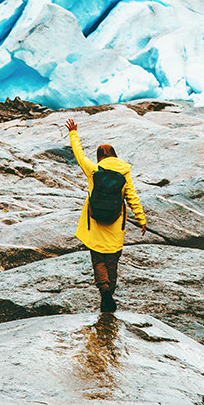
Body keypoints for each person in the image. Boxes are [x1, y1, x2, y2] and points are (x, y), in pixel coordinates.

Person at [65, 118, 146, 313]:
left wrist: (73, 132)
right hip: (115, 225)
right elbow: (132, 197)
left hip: (95, 223)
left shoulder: (94, 170)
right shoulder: (124, 173)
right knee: (112, 261)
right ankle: (110, 293)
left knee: (98, 260)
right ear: (115, 155)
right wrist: (141, 219)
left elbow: (79, 154)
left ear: (100, 156)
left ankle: (104, 291)